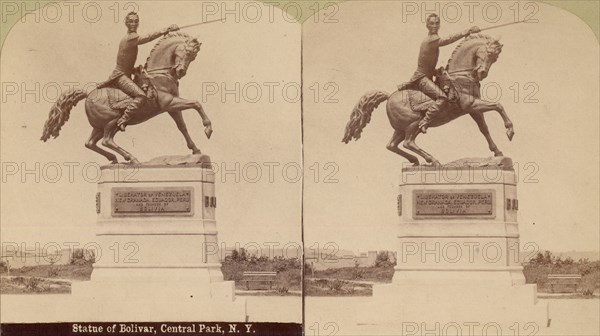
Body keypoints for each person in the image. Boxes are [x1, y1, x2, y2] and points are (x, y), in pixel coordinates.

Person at [405, 14, 480, 133]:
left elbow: (427, 64)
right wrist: (467, 31)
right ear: (427, 25)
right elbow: (447, 40)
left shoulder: (433, 38)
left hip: (428, 74)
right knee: (442, 98)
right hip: (422, 78)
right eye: (432, 23)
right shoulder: (430, 40)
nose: (434, 26)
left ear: (439, 25)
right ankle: (425, 121)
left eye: (436, 23)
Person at [105, 12, 179, 131]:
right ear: (126, 23)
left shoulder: (131, 37)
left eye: (136, 21)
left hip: (127, 73)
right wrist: (165, 30)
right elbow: (147, 38)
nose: (133, 24)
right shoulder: (130, 38)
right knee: (141, 95)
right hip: (121, 76)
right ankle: (123, 119)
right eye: (131, 21)